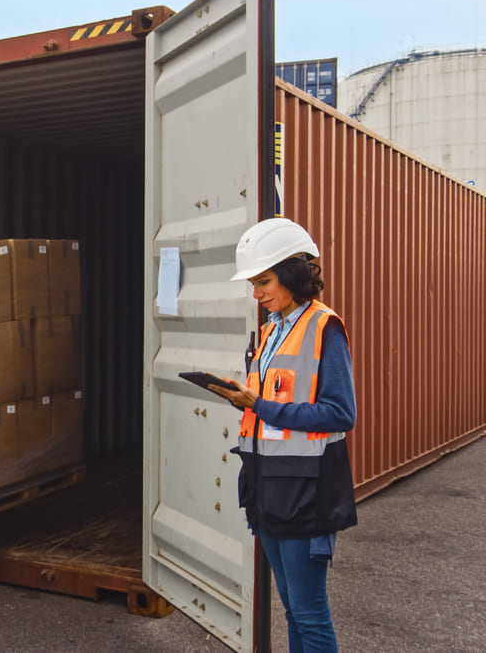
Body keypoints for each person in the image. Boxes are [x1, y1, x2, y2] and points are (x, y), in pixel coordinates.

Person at [210, 217, 358, 653]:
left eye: (264, 281)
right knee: (293, 610)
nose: (257, 293)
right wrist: (242, 398)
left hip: (305, 490)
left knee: (310, 615)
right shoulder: (274, 328)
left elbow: (339, 413)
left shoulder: (324, 327)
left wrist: (259, 405)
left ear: (292, 274)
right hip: (267, 484)